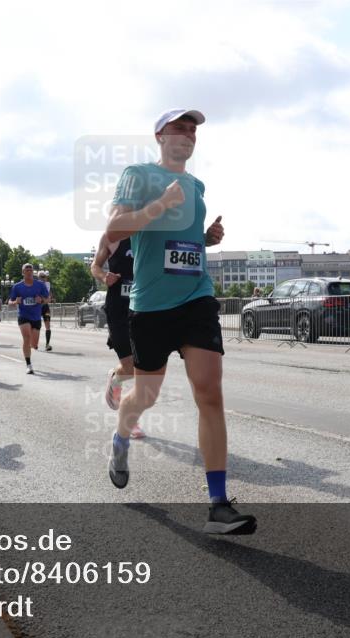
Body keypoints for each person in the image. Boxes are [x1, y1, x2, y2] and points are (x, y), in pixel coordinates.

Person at [104, 108, 255, 535]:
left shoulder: (196, 185)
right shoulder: (138, 175)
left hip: (196, 298)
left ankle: (218, 505)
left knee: (209, 392)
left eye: (193, 129)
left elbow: (181, 242)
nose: (188, 134)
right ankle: (120, 437)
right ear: (160, 136)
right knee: (145, 396)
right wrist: (160, 204)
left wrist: (204, 239)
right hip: (151, 306)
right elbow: (115, 227)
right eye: (180, 127)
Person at [91, 234, 144, 439]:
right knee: (130, 367)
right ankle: (116, 378)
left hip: (144, 307)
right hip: (118, 310)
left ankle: (131, 417)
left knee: (143, 367)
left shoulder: (149, 234)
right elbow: (95, 265)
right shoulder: (112, 237)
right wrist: (104, 276)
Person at [8, 263, 49, 374]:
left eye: (31, 270)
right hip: (23, 316)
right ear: (23, 272)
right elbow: (9, 302)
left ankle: (30, 346)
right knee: (26, 337)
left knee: (34, 345)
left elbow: (48, 299)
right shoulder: (17, 287)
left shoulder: (40, 285)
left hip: (36, 316)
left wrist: (41, 300)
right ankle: (28, 365)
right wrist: (15, 302)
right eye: (27, 270)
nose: (29, 272)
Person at [38, 270, 54, 351]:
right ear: (38, 277)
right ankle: (33, 342)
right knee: (36, 326)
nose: (44, 278)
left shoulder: (47, 284)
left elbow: (49, 295)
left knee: (48, 325)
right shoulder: (35, 284)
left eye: (45, 277)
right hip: (37, 307)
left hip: (45, 307)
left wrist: (51, 298)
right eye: (42, 277)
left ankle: (47, 344)